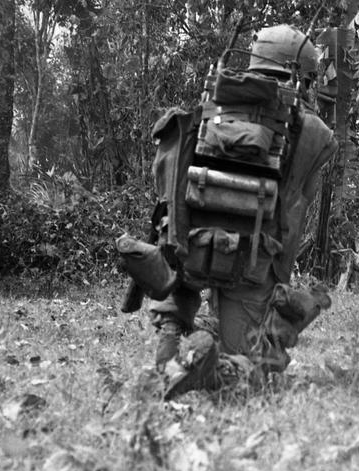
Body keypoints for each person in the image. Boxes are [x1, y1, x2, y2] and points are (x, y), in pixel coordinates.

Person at [134, 24, 337, 398]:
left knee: (180, 290)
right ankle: (211, 370)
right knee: (252, 374)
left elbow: (167, 185)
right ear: (299, 75)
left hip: (187, 251)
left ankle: (169, 350)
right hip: (250, 264)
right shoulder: (313, 132)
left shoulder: (207, 110)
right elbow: (295, 211)